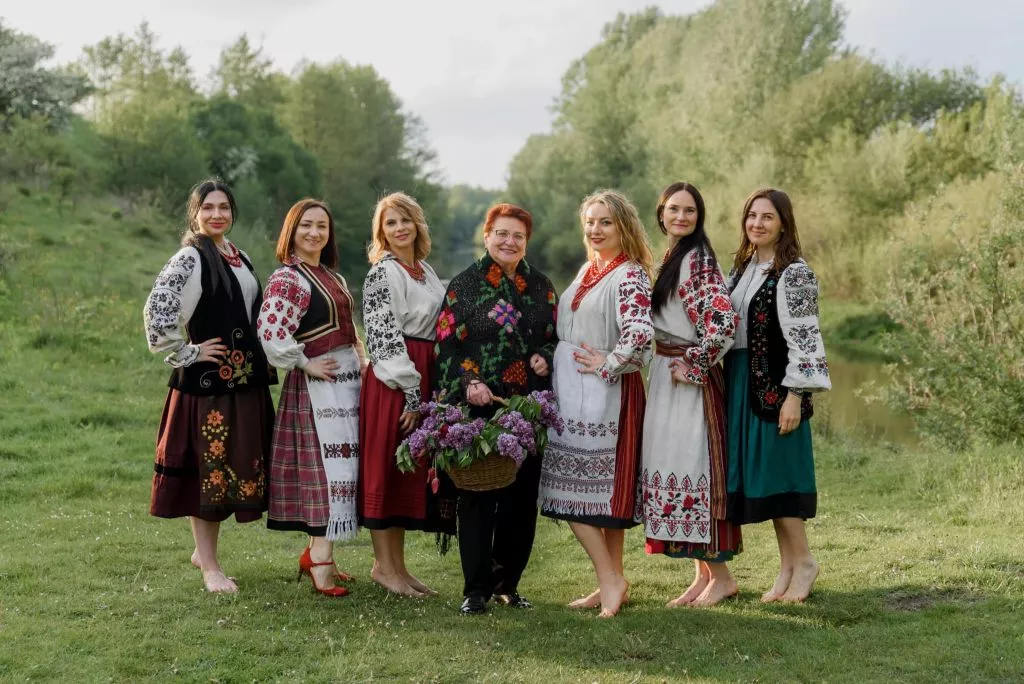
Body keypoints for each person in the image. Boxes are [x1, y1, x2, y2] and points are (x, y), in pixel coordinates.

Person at [143, 178, 276, 594]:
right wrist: (187, 352)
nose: (217, 214)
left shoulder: (238, 255)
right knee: (210, 471)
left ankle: (203, 554)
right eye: (208, 207)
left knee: (228, 466)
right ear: (195, 213)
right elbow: (158, 310)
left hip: (243, 382)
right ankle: (211, 567)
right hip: (208, 385)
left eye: (224, 207)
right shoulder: (190, 257)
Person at [434, 203, 558, 615]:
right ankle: (475, 590)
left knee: (521, 500)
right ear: (486, 236)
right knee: (478, 496)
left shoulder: (541, 286)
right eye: (501, 233)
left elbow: (555, 336)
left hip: (526, 408)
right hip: (479, 408)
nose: (509, 241)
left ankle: (508, 584)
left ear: (526, 242)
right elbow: (446, 345)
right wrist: (470, 382)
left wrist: (546, 355)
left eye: (518, 236)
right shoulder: (464, 285)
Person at [538, 189, 654, 618]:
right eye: (590, 221)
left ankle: (610, 579)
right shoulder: (590, 267)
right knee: (597, 497)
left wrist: (609, 363)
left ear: (623, 226)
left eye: (605, 222)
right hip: (574, 393)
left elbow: (640, 335)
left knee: (576, 493)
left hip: (606, 395)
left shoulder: (630, 275)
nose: (595, 229)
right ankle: (611, 580)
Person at [636, 182, 743, 608]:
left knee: (694, 466)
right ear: (661, 214)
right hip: (667, 374)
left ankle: (722, 577)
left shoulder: (697, 260)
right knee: (674, 465)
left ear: (699, 217)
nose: (681, 217)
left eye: (690, 211)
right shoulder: (675, 256)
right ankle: (703, 575)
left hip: (688, 382)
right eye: (674, 209)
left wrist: (694, 363)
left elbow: (723, 324)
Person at [725, 187, 831, 603]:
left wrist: (795, 395)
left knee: (782, 478)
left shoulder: (795, 273)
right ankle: (787, 567)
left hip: (776, 389)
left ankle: (804, 562)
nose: (757, 223)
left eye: (767, 217)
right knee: (766, 481)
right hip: (742, 384)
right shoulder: (742, 269)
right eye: (752, 216)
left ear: (783, 224)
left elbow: (805, 338)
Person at [257, 198, 366, 597]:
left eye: (322, 226)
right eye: (306, 225)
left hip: (344, 386)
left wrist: (361, 361)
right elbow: (271, 333)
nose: (314, 233)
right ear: (292, 230)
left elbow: (349, 330)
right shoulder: (288, 278)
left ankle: (321, 555)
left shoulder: (332, 277)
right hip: (316, 390)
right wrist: (305, 363)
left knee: (342, 469)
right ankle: (320, 561)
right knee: (325, 471)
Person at [358, 192, 454, 597]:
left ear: (418, 224)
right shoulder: (384, 272)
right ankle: (384, 568)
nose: (399, 228)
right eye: (390, 223)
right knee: (387, 467)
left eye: (405, 220)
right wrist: (412, 393)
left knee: (405, 473)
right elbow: (383, 338)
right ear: (381, 232)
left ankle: (398, 567)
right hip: (395, 380)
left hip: (423, 370)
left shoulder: (425, 271)